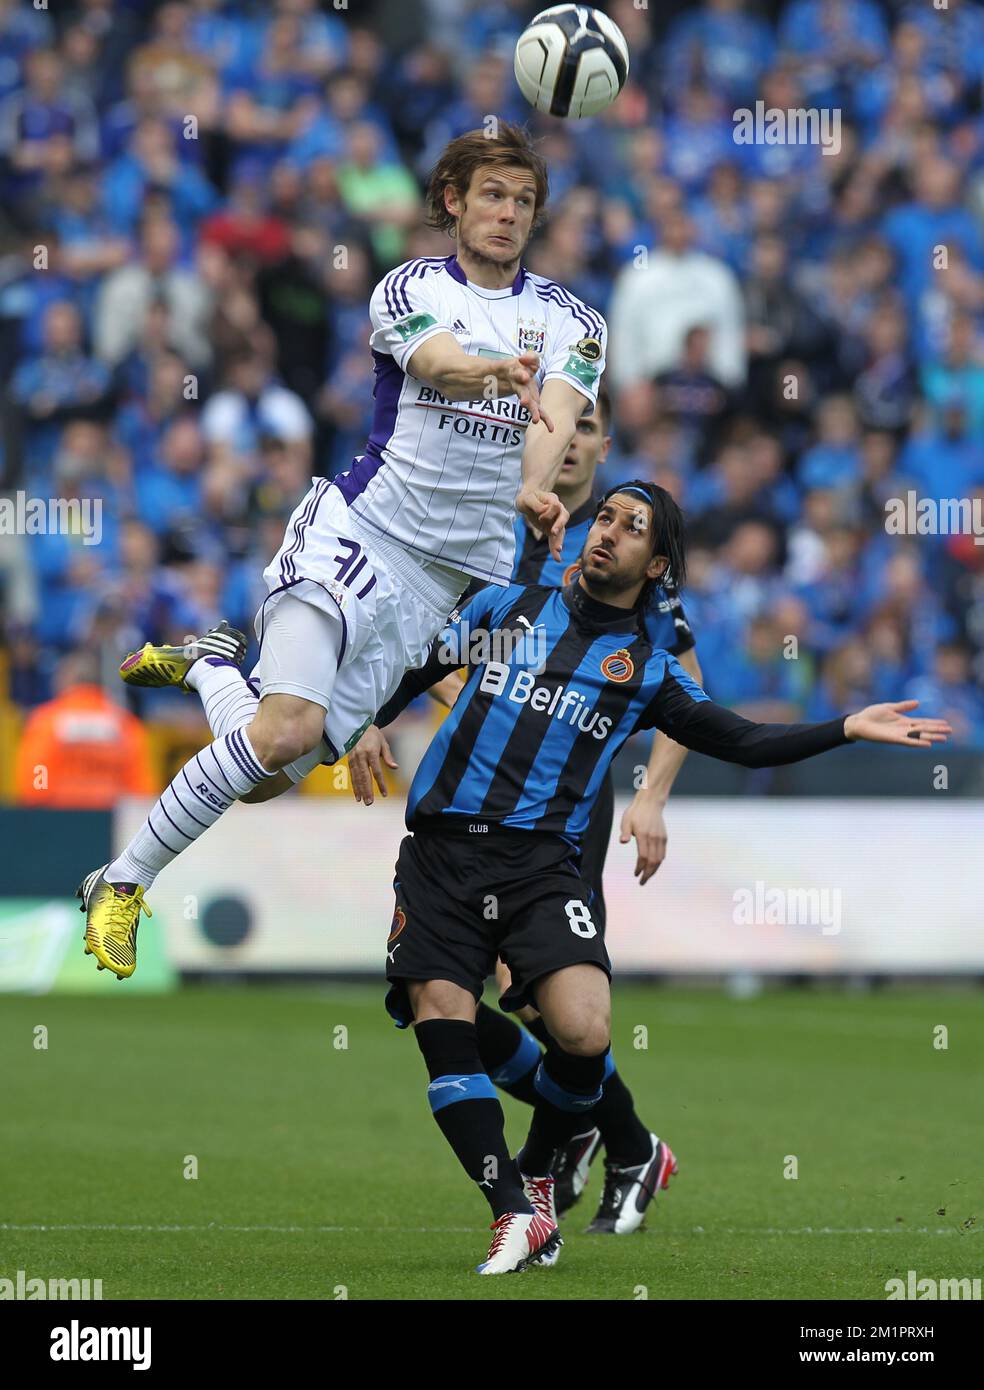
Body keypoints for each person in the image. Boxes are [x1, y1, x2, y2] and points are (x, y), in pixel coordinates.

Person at [355, 481, 949, 1274]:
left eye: (630, 529)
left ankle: (589, 1147)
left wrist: (846, 726)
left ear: (656, 563)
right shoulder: (511, 607)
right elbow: (415, 663)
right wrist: (362, 719)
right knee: (440, 1014)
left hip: (537, 864)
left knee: (583, 1030)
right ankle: (515, 1211)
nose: (607, 533)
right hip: (439, 851)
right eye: (604, 517)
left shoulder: (646, 669)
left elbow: (739, 739)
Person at [76, 121, 609, 978]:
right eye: (492, 196)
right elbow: (436, 362)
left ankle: (210, 666)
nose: (508, 214)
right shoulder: (407, 288)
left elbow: (556, 414)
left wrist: (532, 486)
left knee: (261, 772)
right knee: (286, 732)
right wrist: (487, 371)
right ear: (453, 202)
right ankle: (121, 883)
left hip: (440, 588)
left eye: (523, 201)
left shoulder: (573, 320)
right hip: (356, 536)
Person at [353, 387, 705, 1237]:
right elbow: (448, 642)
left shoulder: (624, 550)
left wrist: (654, 793)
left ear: (604, 442)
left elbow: (683, 685)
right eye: (560, 425)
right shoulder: (499, 528)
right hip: (470, 796)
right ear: (530, 435)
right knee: (481, 1005)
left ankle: (552, 1168)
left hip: (561, 809)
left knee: (543, 1000)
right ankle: (621, 1141)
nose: (573, 442)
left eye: (588, 428)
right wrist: (378, 705)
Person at [14, 650, 155, 809]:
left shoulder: (46, 721)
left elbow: (36, 778)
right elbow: (141, 791)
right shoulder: (126, 725)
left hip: (57, 820)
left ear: (66, 679)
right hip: (112, 823)